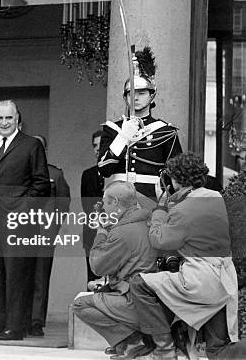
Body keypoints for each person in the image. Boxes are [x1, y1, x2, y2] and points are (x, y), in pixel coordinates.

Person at [130, 152, 238, 360]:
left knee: (139, 284)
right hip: (224, 280)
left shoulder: (183, 209)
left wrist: (160, 210)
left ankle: (164, 348)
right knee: (217, 351)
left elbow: (159, 241)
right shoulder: (215, 197)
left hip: (199, 280)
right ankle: (178, 337)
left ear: (176, 180)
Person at [0, 100, 50, 341]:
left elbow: (41, 184)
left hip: (18, 221)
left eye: (8, 118)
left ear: (17, 119)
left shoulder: (31, 145)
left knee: (16, 275)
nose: (4, 123)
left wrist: (21, 209)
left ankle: (15, 326)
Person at [72, 182, 158, 359]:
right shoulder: (149, 221)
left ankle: (135, 342)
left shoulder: (123, 231)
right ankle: (131, 341)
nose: (103, 206)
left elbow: (97, 266)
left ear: (116, 202)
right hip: (153, 296)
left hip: (135, 300)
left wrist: (101, 233)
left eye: (105, 202)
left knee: (80, 304)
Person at [97, 47, 182, 201]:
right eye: (131, 93)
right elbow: (104, 169)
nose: (135, 98)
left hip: (151, 198)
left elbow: (176, 174)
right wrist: (123, 137)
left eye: (141, 93)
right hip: (118, 200)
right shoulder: (112, 129)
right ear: (125, 97)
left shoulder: (165, 132)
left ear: (152, 96)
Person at [25, 135, 71, 337]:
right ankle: (18, 318)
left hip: (44, 234)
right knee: (18, 277)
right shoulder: (20, 173)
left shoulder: (55, 173)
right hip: (20, 233)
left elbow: (63, 203)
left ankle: (35, 321)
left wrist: (52, 228)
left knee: (40, 278)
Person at [81, 130, 104, 285]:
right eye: (94, 145)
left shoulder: (118, 174)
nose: (97, 149)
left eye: (101, 145)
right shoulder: (88, 174)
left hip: (114, 231)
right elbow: (86, 205)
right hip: (92, 230)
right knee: (93, 277)